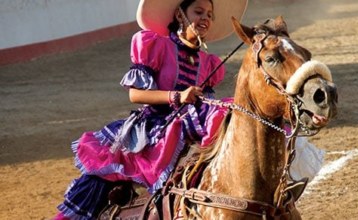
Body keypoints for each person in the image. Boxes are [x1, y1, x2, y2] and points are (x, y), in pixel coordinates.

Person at [54, 0, 248, 219]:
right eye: (199, 12)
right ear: (179, 15)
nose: (205, 18)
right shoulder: (156, 46)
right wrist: (177, 96)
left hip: (189, 127)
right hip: (153, 128)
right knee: (97, 187)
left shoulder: (209, 63)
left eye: (210, 15)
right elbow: (135, 95)